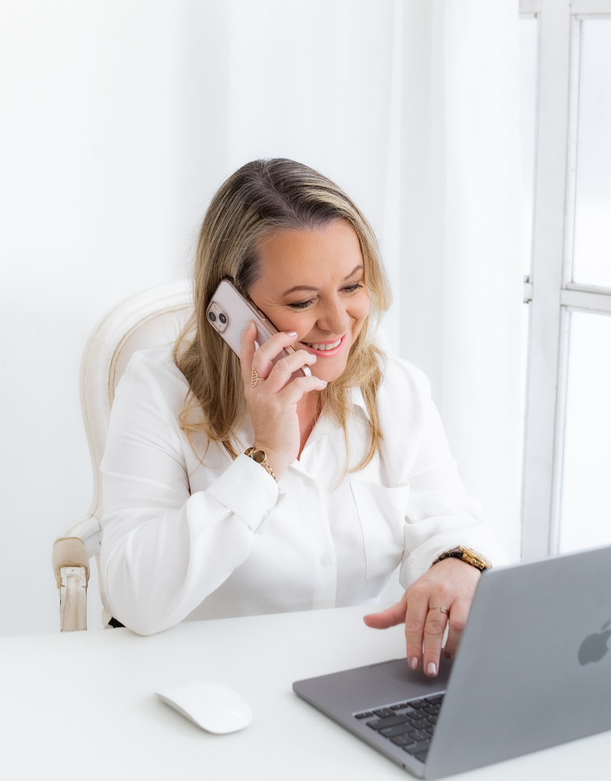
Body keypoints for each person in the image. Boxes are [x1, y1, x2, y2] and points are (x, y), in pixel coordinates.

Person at [99, 158, 505, 678]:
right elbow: (134, 598)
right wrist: (265, 458)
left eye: (352, 287)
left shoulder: (395, 390)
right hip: (203, 688)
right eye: (303, 301)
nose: (337, 322)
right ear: (231, 307)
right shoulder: (158, 391)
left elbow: (451, 524)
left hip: (346, 683)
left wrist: (458, 565)